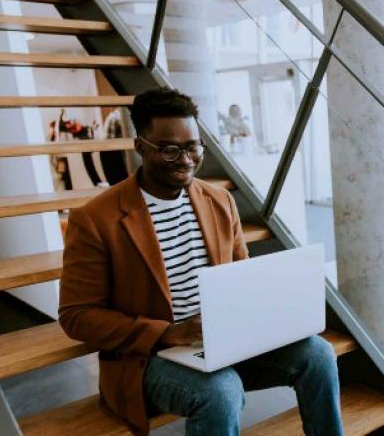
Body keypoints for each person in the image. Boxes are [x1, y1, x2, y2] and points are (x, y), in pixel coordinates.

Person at [58, 88, 343, 436]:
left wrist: (273, 314)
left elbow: (242, 277)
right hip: (151, 356)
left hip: (226, 340)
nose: (185, 159)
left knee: (318, 355)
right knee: (220, 391)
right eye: (169, 149)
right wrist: (165, 332)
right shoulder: (95, 219)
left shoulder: (219, 200)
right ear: (140, 147)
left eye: (193, 146)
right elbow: (76, 316)